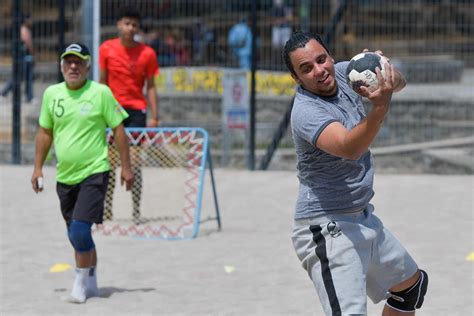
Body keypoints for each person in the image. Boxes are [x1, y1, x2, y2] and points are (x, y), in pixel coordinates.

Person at [283, 31, 428, 315]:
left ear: (331, 56)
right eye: (306, 68)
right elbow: (350, 147)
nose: (319, 70)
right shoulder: (305, 111)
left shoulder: (346, 73)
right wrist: (380, 107)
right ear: (296, 79)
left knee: (410, 288)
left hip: (362, 217)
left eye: (321, 59)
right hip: (327, 228)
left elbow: (400, 83)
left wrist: (386, 74)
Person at [31, 43, 134, 303]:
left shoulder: (101, 93)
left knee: (79, 231)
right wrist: (37, 168)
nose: (73, 67)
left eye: (79, 62)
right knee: (76, 234)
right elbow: (45, 132)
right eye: (68, 62)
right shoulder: (52, 94)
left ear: (88, 65)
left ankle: (79, 284)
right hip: (65, 176)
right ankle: (92, 279)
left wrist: (127, 167)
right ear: (61, 66)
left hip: (95, 172)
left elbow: (119, 130)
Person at [99, 5, 160, 223]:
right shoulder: (106, 48)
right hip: (112, 110)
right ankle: (107, 210)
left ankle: (136, 211)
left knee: (134, 164)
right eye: (127, 23)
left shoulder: (147, 53)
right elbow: (102, 83)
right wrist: (100, 110)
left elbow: (151, 86)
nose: (130, 28)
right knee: (110, 163)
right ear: (118, 24)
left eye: (134, 24)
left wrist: (155, 116)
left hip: (136, 112)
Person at [1, 14, 34, 102]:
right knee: (22, 77)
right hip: (24, 57)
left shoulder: (25, 29)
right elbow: (27, 42)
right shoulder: (24, 29)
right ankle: (5, 92)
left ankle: (28, 96)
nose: (31, 21)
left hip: (25, 57)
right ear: (26, 20)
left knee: (24, 77)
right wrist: (32, 52)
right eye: (30, 19)